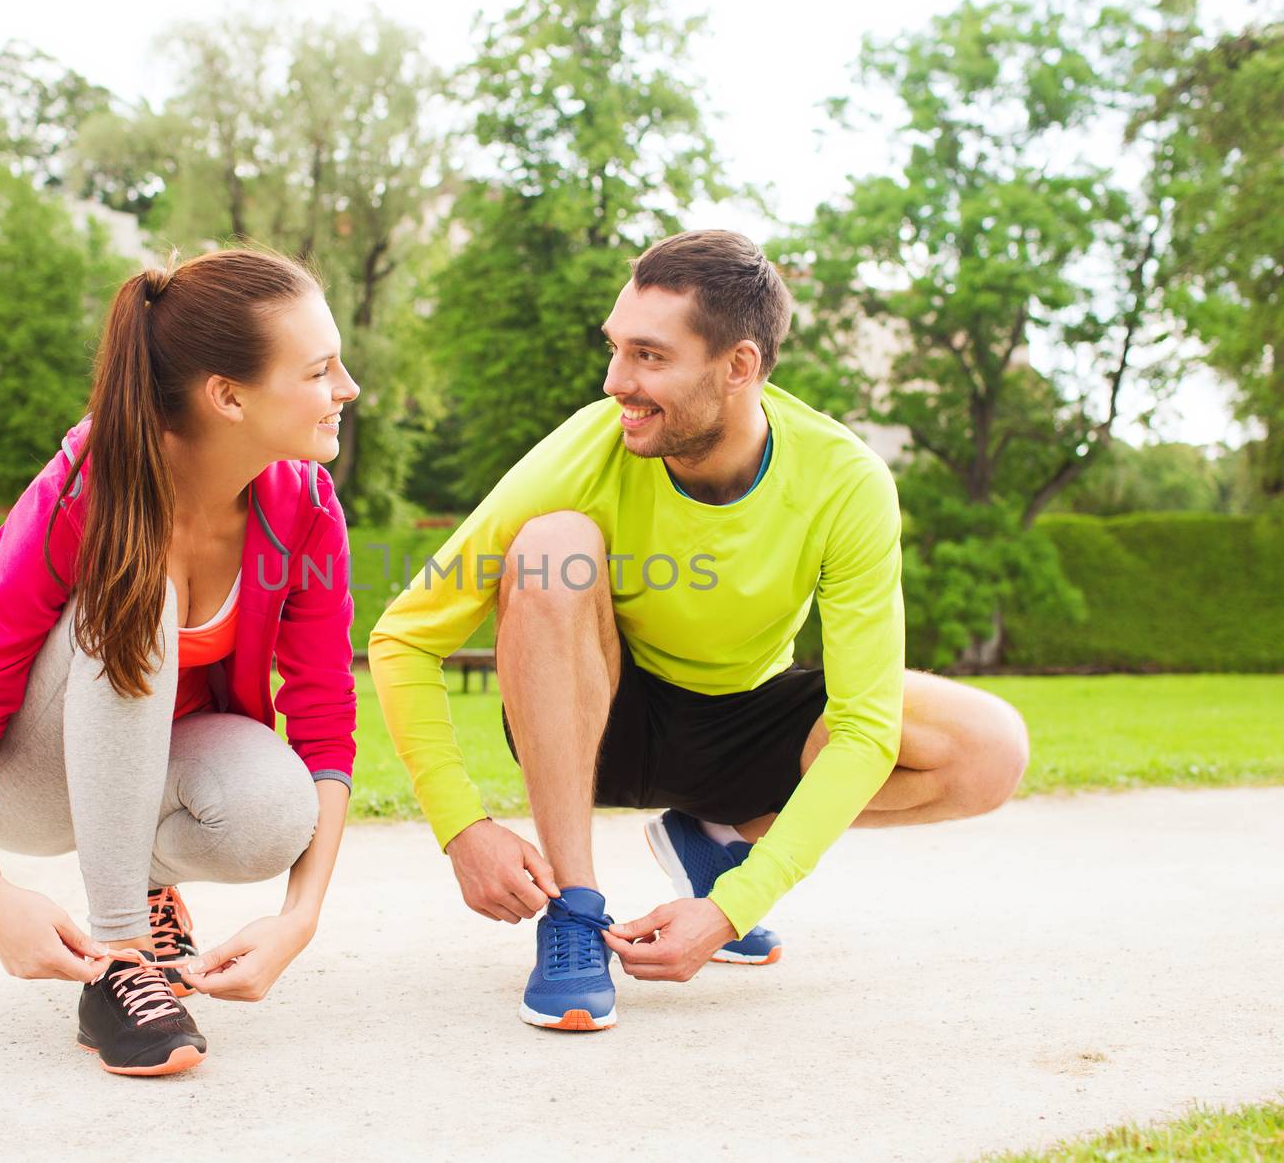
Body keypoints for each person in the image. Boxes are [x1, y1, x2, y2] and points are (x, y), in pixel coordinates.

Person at [368, 229, 1029, 1032]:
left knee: (991, 746)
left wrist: (731, 906)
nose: (616, 382)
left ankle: (716, 843)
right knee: (551, 547)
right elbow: (404, 635)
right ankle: (576, 916)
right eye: (616, 350)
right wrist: (461, 827)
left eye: (649, 356)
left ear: (739, 366)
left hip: (744, 726)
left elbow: (861, 730)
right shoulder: (587, 449)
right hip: (604, 717)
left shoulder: (844, 481)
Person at [0, 248, 360, 1074]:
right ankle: (119, 960)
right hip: (36, 778)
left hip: (149, 771)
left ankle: (146, 886)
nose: (348, 387)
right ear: (228, 396)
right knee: (140, 592)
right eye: (320, 369)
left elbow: (327, 719)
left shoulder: (304, 507)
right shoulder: (86, 485)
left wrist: (299, 918)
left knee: (274, 810)